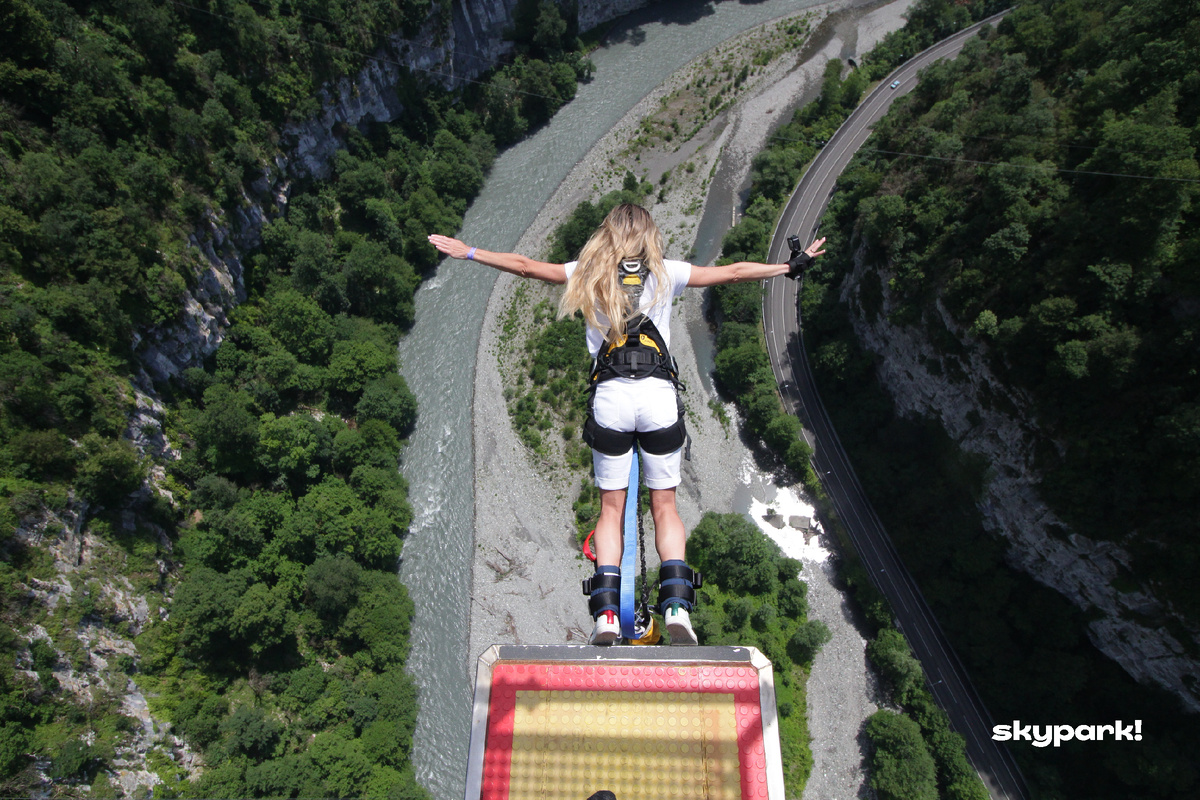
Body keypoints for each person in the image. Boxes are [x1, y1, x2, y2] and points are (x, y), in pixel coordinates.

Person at [429, 204, 824, 645]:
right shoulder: (667, 272)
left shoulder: (587, 271)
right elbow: (733, 272)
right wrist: (790, 265)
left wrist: (469, 252)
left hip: (611, 400)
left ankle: (607, 618)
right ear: (649, 236)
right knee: (665, 507)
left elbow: (523, 267)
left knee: (611, 512)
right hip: (657, 399)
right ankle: (676, 609)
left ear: (608, 234)